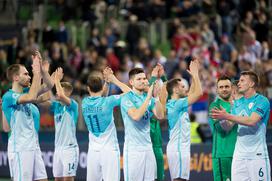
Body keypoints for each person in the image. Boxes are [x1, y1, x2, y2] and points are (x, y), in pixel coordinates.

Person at [2, 51, 54, 181]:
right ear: (16, 78)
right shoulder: (8, 97)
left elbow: (49, 86)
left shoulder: (25, 91)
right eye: (25, 74)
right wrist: (36, 72)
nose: (29, 76)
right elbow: (31, 96)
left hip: (33, 146)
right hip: (20, 148)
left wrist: (42, 70)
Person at [211, 71, 271, 181]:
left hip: (257, 155)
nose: (239, 83)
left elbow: (251, 121)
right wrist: (222, 119)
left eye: (242, 81)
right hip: (239, 156)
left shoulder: (262, 101)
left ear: (252, 84)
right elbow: (228, 126)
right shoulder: (237, 103)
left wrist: (227, 115)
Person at [82, 67, 130, 181]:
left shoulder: (84, 103)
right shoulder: (109, 101)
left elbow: (99, 96)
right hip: (110, 151)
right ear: (101, 86)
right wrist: (113, 80)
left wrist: (106, 83)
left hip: (93, 151)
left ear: (88, 88)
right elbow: (130, 93)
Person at [120, 67, 164, 181]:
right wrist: (148, 98)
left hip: (148, 148)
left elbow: (160, 115)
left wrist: (157, 97)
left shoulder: (149, 98)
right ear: (131, 82)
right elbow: (136, 116)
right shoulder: (126, 98)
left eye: (144, 78)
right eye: (139, 79)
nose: (143, 81)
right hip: (133, 150)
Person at [164, 58, 203, 181]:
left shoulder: (176, 104)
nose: (185, 88)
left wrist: (193, 77)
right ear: (175, 90)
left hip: (180, 147)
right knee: (180, 180)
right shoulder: (177, 104)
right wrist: (196, 74)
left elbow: (192, 92)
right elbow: (199, 94)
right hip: (178, 148)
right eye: (182, 86)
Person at [48, 67, 79, 181]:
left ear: (69, 92)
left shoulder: (73, 105)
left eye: (60, 88)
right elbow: (46, 98)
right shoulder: (56, 106)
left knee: (68, 179)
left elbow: (60, 95)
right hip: (58, 148)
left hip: (69, 149)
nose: (57, 91)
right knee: (57, 179)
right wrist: (46, 78)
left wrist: (57, 80)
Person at [208, 76, 238, 181]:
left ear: (232, 88)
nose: (224, 89)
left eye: (226, 86)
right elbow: (223, 129)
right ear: (217, 90)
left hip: (240, 154)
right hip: (223, 154)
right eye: (221, 87)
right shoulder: (215, 106)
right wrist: (236, 114)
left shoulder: (239, 105)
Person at [149, 64, 167, 181]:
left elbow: (166, 93)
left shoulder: (158, 102)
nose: (159, 89)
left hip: (158, 148)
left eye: (159, 87)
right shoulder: (146, 102)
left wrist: (163, 78)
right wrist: (153, 78)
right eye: (156, 86)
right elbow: (157, 116)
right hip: (148, 149)